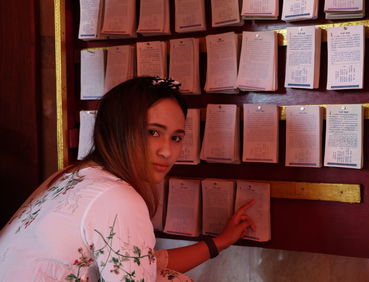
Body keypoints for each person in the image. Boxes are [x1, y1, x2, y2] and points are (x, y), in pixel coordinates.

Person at [0, 77, 256, 281]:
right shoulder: (118, 198)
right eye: (153, 132)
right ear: (119, 130)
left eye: (176, 137)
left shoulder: (71, 174)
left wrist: (219, 242)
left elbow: (138, 262)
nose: (167, 151)